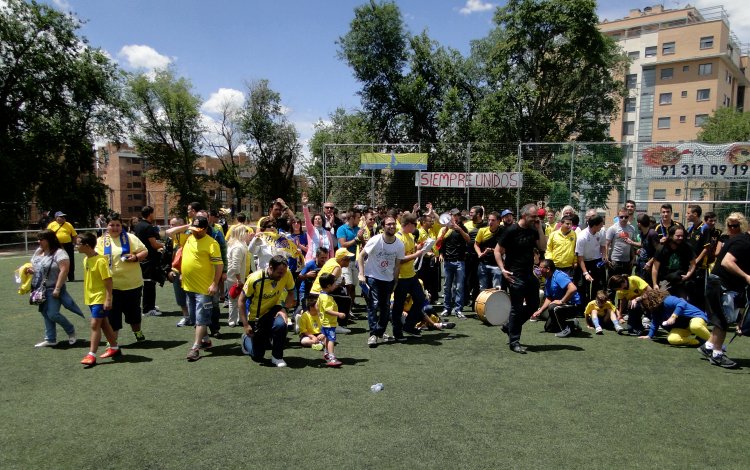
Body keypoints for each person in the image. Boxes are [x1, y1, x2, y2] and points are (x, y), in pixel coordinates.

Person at [495, 203, 548, 354]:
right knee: (516, 309)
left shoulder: (533, 229)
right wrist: (503, 269)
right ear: (524, 216)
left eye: (537, 216)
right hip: (514, 275)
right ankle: (514, 341)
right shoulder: (511, 230)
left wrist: (539, 228)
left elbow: (543, 246)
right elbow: (498, 251)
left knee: (533, 305)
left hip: (529, 274)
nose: (536, 218)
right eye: (533, 216)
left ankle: (509, 327)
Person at [96, 213, 148, 343]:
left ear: (121, 226)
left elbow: (145, 251)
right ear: (106, 226)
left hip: (132, 284)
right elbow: (95, 258)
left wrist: (135, 257)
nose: (115, 228)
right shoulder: (101, 241)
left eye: (117, 225)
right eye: (111, 225)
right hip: (111, 286)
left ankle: (137, 331)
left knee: (134, 313)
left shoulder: (130, 238)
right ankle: (112, 341)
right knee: (113, 315)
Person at [703, 222, 750, 368]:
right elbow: (727, 262)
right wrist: (747, 277)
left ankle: (709, 346)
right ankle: (717, 355)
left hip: (719, 284)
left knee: (721, 319)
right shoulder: (743, 242)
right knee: (723, 320)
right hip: (721, 285)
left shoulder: (741, 240)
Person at [29, 229, 84, 347]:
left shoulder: (59, 253)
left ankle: (71, 331)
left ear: (49, 240)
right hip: (40, 289)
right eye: (38, 239)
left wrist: (58, 288)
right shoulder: (39, 251)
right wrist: (31, 271)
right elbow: (37, 267)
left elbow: (64, 270)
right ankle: (50, 338)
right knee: (44, 313)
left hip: (54, 288)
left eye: (41, 239)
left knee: (53, 314)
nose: (39, 241)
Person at [239, 255, 296, 367]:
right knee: (258, 356)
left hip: (274, 309)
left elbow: (291, 292)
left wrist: (284, 309)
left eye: (284, 272)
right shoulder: (254, 279)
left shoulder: (286, 273)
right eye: (279, 273)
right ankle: (246, 340)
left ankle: (277, 357)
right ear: (270, 268)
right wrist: (245, 325)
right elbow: (241, 301)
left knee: (281, 324)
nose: (282, 275)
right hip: (257, 317)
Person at [181, 216, 224, 362]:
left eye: (198, 230)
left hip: (204, 289)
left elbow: (219, 266)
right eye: (193, 229)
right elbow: (169, 233)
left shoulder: (212, 243)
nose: (195, 232)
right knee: (194, 318)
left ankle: (195, 348)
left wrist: (215, 284)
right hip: (188, 286)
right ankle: (205, 339)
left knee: (200, 319)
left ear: (205, 229)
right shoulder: (189, 238)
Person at [358, 216, 404, 347]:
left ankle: (379, 331)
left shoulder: (399, 245)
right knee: (374, 305)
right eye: (389, 224)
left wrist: (395, 281)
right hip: (373, 277)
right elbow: (361, 256)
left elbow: (397, 265)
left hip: (388, 279)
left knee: (385, 307)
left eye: (394, 224)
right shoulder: (375, 240)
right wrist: (361, 274)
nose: (392, 227)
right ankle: (373, 334)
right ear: (383, 227)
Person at [77, 232, 120, 366]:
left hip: (99, 298)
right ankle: (114, 348)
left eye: (78, 243)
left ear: (87, 245)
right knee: (104, 324)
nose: (76, 246)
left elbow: (108, 281)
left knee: (95, 324)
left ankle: (91, 355)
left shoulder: (100, 261)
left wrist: (108, 299)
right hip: (90, 298)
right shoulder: (85, 260)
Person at [391, 213, 429, 339]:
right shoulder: (398, 238)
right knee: (398, 305)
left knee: (420, 299)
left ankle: (409, 326)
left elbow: (411, 251)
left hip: (411, 275)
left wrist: (420, 247)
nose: (416, 227)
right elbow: (399, 260)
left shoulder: (410, 236)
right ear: (408, 224)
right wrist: (416, 254)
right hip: (401, 277)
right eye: (414, 225)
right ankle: (397, 332)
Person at [639, 289, 710, 346]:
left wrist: (673, 316)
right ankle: (698, 341)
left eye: (646, 303)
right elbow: (655, 322)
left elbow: (682, 302)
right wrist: (649, 336)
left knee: (695, 326)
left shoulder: (668, 300)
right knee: (672, 339)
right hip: (683, 326)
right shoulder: (655, 310)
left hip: (696, 317)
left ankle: (713, 342)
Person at [532, 259, 582, 338]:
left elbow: (573, 288)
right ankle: (572, 324)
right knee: (548, 328)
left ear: (548, 269)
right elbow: (549, 297)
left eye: (541, 268)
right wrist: (540, 310)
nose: (539, 270)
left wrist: (562, 301)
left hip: (573, 305)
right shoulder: (548, 279)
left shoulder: (559, 276)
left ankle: (565, 329)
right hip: (562, 305)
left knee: (553, 307)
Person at [437, 208, 470, 318]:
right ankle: (447, 309)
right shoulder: (445, 229)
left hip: (459, 261)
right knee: (447, 287)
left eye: (456, 215)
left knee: (459, 287)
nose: (455, 217)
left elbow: (468, 240)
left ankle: (458, 310)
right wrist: (441, 253)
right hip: (447, 261)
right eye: (453, 215)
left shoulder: (462, 227)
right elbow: (439, 243)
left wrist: (459, 229)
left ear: (459, 216)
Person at [134, 206, 165, 317]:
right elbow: (154, 244)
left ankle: (149, 305)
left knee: (148, 283)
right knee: (149, 284)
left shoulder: (137, 226)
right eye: (153, 213)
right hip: (149, 259)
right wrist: (164, 245)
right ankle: (148, 309)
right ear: (150, 214)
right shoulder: (148, 227)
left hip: (142, 259)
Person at [651, 225, 696, 298]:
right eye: (678, 236)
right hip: (665, 281)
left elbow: (693, 263)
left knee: (682, 303)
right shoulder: (662, 248)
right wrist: (655, 284)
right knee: (662, 303)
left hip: (680, 281)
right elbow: (655, 268)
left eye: (682, 236)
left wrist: (688, 275)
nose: (680, 238)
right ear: (671, 236)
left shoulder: (687, 247)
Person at [165, 217, 191, 326]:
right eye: (171, 224)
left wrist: (187, 226)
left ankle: (194, 317)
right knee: (180, 297)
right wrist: (169, 270)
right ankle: (186, 317)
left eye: (174, 225)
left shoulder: (190, 234)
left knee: (191, 296)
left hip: (189, 270)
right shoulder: (174, 238)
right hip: (177, 270)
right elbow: (168, 232)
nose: (172, 227)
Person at [575, 215, 606, 306]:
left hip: (597, 261)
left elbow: (603, 245)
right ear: (594, 225)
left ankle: (596, 304)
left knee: (598, 284)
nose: (602, 226)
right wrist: (585, 273)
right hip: (584, 261)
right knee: (582, 286)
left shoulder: (601, 232)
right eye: (601, 224)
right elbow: (579, 256)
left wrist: (604, 255)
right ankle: (583, 307)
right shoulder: (582, 237)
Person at [337, 206, 364, 309]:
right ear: (352, 218)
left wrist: (361, 239)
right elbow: (343, 244)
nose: (359, 220)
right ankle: (346, 307)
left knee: (353, 286)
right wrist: (356, 239)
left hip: (353, 261)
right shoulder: (341, 229)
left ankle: (351, 305)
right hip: (344, 261)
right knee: (347, 285)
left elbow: (363, 244)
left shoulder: (358, 229)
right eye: (358, 217)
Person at [226, 224, 253, 327]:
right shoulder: (238, 247)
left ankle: (238, 318)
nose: (247, 233)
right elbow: (235, 265)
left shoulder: (239, 244)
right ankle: (232, 320)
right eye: (246, 232)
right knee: (234, 299)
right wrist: (238, 279)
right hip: (235, 277)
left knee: (238, 298)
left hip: (239, 276)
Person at [317, 273, 346, 367]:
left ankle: (326, 353)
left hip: (324, 322)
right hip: (329, 323)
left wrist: (319, 315)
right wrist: (339, 314)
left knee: (326, 338)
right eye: (334, 283)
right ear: (329, 286)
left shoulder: (321, 294)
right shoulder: (327, 298)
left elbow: (317, 306)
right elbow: (328, 310)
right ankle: (332, 357)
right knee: (331, 339)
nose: (335, 285)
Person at [302, 194, 336, 262]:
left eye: (319, 219)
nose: (317, 220)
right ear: (313, 221)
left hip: (325, 261)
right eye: (315, 219)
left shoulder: (327, 233)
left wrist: (332, 261)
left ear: (322, 221)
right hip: (312, 260)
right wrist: (305, 206)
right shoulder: (311, 230)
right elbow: (307, 219)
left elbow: (331, 249)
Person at [605, 207, 637, 278]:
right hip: (615, 261)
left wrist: (633, 257)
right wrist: (606, 257)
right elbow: (607, 244)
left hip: (627, 261)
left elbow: (631, 245)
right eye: (621, 217)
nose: (624, 219)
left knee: (626, 284)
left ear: (628, 217)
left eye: (626, 217)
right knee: (613, 284)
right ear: (618, 217)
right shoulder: (612, 228)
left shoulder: (632, 228)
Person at [475, 211, 504, 289]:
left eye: (493, 220)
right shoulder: (482, 231)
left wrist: (491, 250)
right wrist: (479, 253)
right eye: (489, 220)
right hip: (483, 264)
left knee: (496, 289)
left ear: (498, 221)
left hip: (496, 266)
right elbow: (476, 244)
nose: (490, 222)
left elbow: (504, 250)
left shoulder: (503, 232)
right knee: (483, 289)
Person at [463, 206, 485, 308]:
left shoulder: (486, 225)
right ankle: (464, 300)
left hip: (480, 258)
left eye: (472, 213)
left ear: (479, 214)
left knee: (477, 281)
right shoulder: (466, 225)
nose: (470, 214)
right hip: (468, 257)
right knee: (465, 280)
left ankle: (475, 303)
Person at [47, 211, 77, 281]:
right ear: (56, 218)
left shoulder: (68, 224)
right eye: (61, 217)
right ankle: (58, 277)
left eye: (63, 217)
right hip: (56, 246)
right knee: (56, 261)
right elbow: (47, 234)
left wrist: (73, 243)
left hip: (68, 245)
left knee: (70, 260)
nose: (63, 218)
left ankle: (71, 277)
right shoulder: (51, 225)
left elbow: (74, 235)